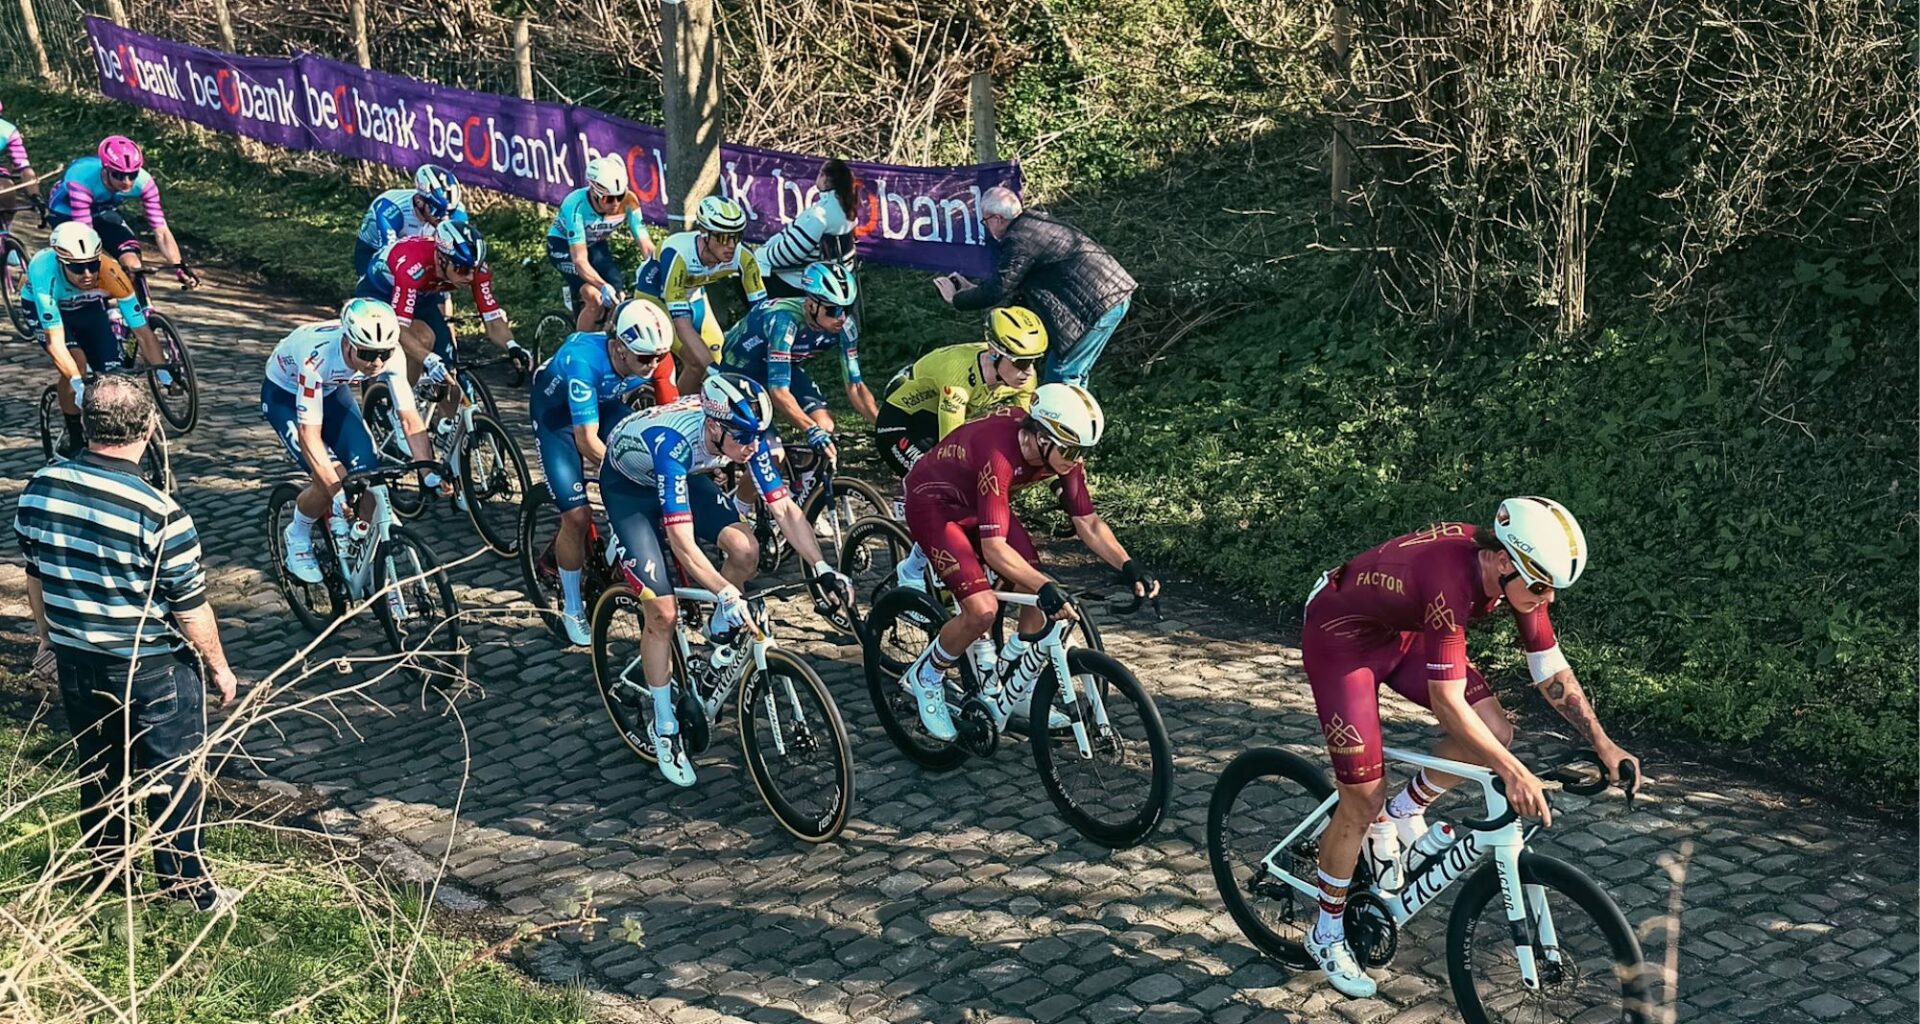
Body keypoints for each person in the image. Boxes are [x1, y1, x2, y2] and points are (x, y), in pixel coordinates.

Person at [1296, 499, 1643, 998]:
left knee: (1495, 732)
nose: (1546, 599)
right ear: (1504, 561)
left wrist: (1603, 743)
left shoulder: (1518, 576)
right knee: (1361, 800)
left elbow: (1548, 667)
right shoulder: (1450, 580)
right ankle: (1325, 931)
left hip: (1401, 633)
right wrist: (1515, 773)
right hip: (1340, 639)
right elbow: (1447, 702)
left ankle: (1400, 812)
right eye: (1541, 586)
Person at [13, 375, 241, 912]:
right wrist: (219, 667)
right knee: (173, 778)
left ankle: (107, 886)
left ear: (87, 424)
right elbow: (190, 609)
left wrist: (48, 639)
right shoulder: (161, 513)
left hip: (76, 661)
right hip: (150, 668)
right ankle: (186, 889)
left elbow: (36, 574)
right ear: (150, 426)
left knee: (100, 775)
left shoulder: (41, 487)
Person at [598, 373, 851, 787]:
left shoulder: (741, 434)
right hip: (630, 488)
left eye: (759, 436)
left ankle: (719, 628)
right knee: (662, 612)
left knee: (746, 550)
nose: (753, 447)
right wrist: (725, 592)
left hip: (687, 476)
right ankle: (663, 727)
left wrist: (821, 567)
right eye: (744, 438)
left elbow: (785, 509)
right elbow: (681, 543)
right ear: (714, 426)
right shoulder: (674, 443)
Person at [895, 384, 1160, 739]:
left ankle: (1020, 685)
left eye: (1083, 451)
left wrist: (1129, 565)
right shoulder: (1001, 454)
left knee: (1032, 579)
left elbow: (1088, 522)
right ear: (1041, 437)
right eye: (1070, 449)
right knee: (982, 609)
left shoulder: (1060, 452)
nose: (1076, 459)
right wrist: (1044, 587)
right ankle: (927, 675)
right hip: (934, 502)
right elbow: (994, 550)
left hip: (977, 500)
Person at [261, 298, 444, 589]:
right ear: (347, 343)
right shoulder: (317, 360)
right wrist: (336, 494)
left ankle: (361, 547)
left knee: (372, 475)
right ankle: (298, 533)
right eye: (368, 354)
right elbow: (310, 437)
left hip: (333, 393)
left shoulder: (391, 355)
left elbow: (410, 419)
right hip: (285, 394)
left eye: (383, 354)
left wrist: (429, 473)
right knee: (331, 477)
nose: (377, 363)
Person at [530, 298, 678, 644]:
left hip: (607, 408)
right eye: (644, 359)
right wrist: (632, 472)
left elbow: (668, 418)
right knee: (578, 517)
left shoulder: (654, 356)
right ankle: (571, 603)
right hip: (558, 421)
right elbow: (586, 441)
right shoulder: (583, 360)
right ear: (619, 347)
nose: (653, 365)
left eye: (660, 357)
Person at [934, 186, 1134, 388]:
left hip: (1096, 304)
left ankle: (1061, 418)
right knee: (1073, 371)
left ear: (997, 219)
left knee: (1061, 373)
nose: (987, 227)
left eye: (985, 221)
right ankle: (1073, 415)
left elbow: (998, 290)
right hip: (1110, 295)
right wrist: (971, 289)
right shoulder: (1034, 223)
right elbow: (1010, 286)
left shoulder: (1019, 240)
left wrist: (956, 299)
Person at [717, 262, 876, 490]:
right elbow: (778, 392)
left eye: (847, 309)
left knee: (825, 425)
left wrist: (883, 426)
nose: (841, 317)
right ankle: (738, 510)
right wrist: (809, 430)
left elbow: (856, 386)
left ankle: (802, 493)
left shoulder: (846, 328)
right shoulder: (784, 322)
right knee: (772, 456)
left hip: (782, 367)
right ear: (811, 304)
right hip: (741, 371)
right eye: (832, 310)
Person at [355, 219, 527, 425]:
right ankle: (398, 407)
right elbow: (399, 329)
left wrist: (513, 346)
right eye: (463, 269)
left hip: (422, 294)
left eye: (475, 268)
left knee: (450, 377)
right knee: (424, 339)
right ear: (441, 259)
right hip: (380, 294)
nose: (471, 276)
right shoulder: (412, 264)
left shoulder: (473, 269)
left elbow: (493, 320)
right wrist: (427, 358)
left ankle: (445, 438)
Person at [21, 222, 168, 455]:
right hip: (48, 309)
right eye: (78, 269)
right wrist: (77, 384)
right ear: (61, 262)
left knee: (114, 373)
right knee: (76, 362)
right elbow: (56, 343)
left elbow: (142, 331)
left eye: (92, 265)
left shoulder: (110, 272)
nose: (88, 274)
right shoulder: (43, 271)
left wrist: (164, 373)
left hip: (86, 308)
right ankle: (74, 433)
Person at [874, 305, 1046, 479]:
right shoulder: (958, 378)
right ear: (994, 352)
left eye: (1035, 361)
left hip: (933, 423)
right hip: (899, 422)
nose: (1030, 372)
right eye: (1022, 363)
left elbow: (1027, 428)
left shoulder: (1023, 378)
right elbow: (951, 445)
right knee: (938, 479)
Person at [633, 195, 768, 394]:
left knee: (718, 357)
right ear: (705, 233)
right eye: (723, 237)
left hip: (694, 296)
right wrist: (712, 370)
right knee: (697, 363)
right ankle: (677, 415)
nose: (731, 245)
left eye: (737, 236)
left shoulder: (743, 256)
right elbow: (682, 324)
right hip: (655, 299)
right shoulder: (678, 252)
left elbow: (764, 311)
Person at [48, 136, 193, 289]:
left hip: (102, 211)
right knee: (84, 268)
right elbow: (87, 234)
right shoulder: (81, 178)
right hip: (66, 213)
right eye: (118, 175)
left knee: (133, 265)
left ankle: (142, 309)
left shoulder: (144, 183)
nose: (126, 182)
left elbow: (162, 232)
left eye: (132, 175)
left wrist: (179, 266)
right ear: (105, 169)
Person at [547, 155, 658, 332]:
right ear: (593, 192)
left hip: (597, 245)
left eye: (619, 196)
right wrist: (602, 286)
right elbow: (580, 260)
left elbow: (646, 244)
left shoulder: (629, 201)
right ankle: (579, 345)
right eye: (608, 199)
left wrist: (658, 268)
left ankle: (606, 335)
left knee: (619, 297)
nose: (615, 203)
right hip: (564, 247)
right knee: (595, 298)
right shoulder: (575, 205)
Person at [757, 158, 858, 299]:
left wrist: (758, 256)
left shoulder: (820, 215)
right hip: (837, 277)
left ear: (825, 178)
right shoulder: (847, 208)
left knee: (743, 268)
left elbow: (787, 256)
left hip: (802, 284)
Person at [352, 164, 469, 278]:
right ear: (419, 201)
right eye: (437, 211)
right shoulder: (390, 209)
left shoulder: (459, 212)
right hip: (374, 249)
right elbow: (389, 256)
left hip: (416, 245)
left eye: (450, 212)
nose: (444, 218)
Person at [0, 99, 42, 234]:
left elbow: (24, 167)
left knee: (7, 190)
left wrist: (36, 196)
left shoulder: (8, 132)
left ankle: (4, 230)